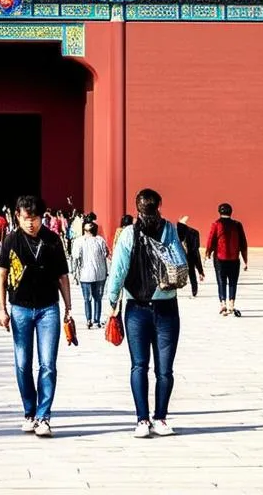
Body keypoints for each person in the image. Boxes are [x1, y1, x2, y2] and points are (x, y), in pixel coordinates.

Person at [106, 188, 187, 439]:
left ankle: (143, 419)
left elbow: (118, 270)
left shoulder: (129, 234)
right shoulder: (170, 230)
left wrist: (112, 301)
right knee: (164, 369)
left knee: (139, 365)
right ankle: (159, 418)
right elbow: (179, 259)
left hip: (137, 308)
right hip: (166, 307)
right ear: (159, 205)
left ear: (136, 207)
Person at [0, 195, 72, 438]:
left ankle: (43, 416)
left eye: (36, 218)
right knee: (22, 364)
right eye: (26, 218)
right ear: (17, 217)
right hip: (19, 309)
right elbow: (1, 275)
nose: (31, 223)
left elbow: (62, 276)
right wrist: (2, 309)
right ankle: (29, 411)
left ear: (43, 217)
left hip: (48, 308)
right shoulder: (11, 240)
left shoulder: (52, 240)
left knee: (47, 364)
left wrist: (68, 307)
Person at [205, 203, 248, 317]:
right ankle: (231, 304)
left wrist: (208, 252)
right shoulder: (237, 225)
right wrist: (245, 259)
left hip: (220, 258)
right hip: (234, 258)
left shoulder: (216, 224)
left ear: (219, 211)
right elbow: (243, 243)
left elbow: (211, 239)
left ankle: (223, 304)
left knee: (221, 281)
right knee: (233, 282)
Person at [73, 220, 109, 328]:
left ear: (85, 231)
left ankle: (88, 320)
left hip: (85, 275)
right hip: (100, 274)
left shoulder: (79, 241)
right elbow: (106, 253)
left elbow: (75, 257)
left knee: (87, 299)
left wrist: (75, 274)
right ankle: (96, 320)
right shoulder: (100, 240)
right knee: (98, 298)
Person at [176, 216, 205, 297]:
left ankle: (194, 290)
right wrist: (200, 270)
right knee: (192, 273)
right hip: (189, 258)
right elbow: (196, 253)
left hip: (179, 260)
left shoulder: (173, 232)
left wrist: (200, 270)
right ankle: (194, 290)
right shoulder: (194, 233)